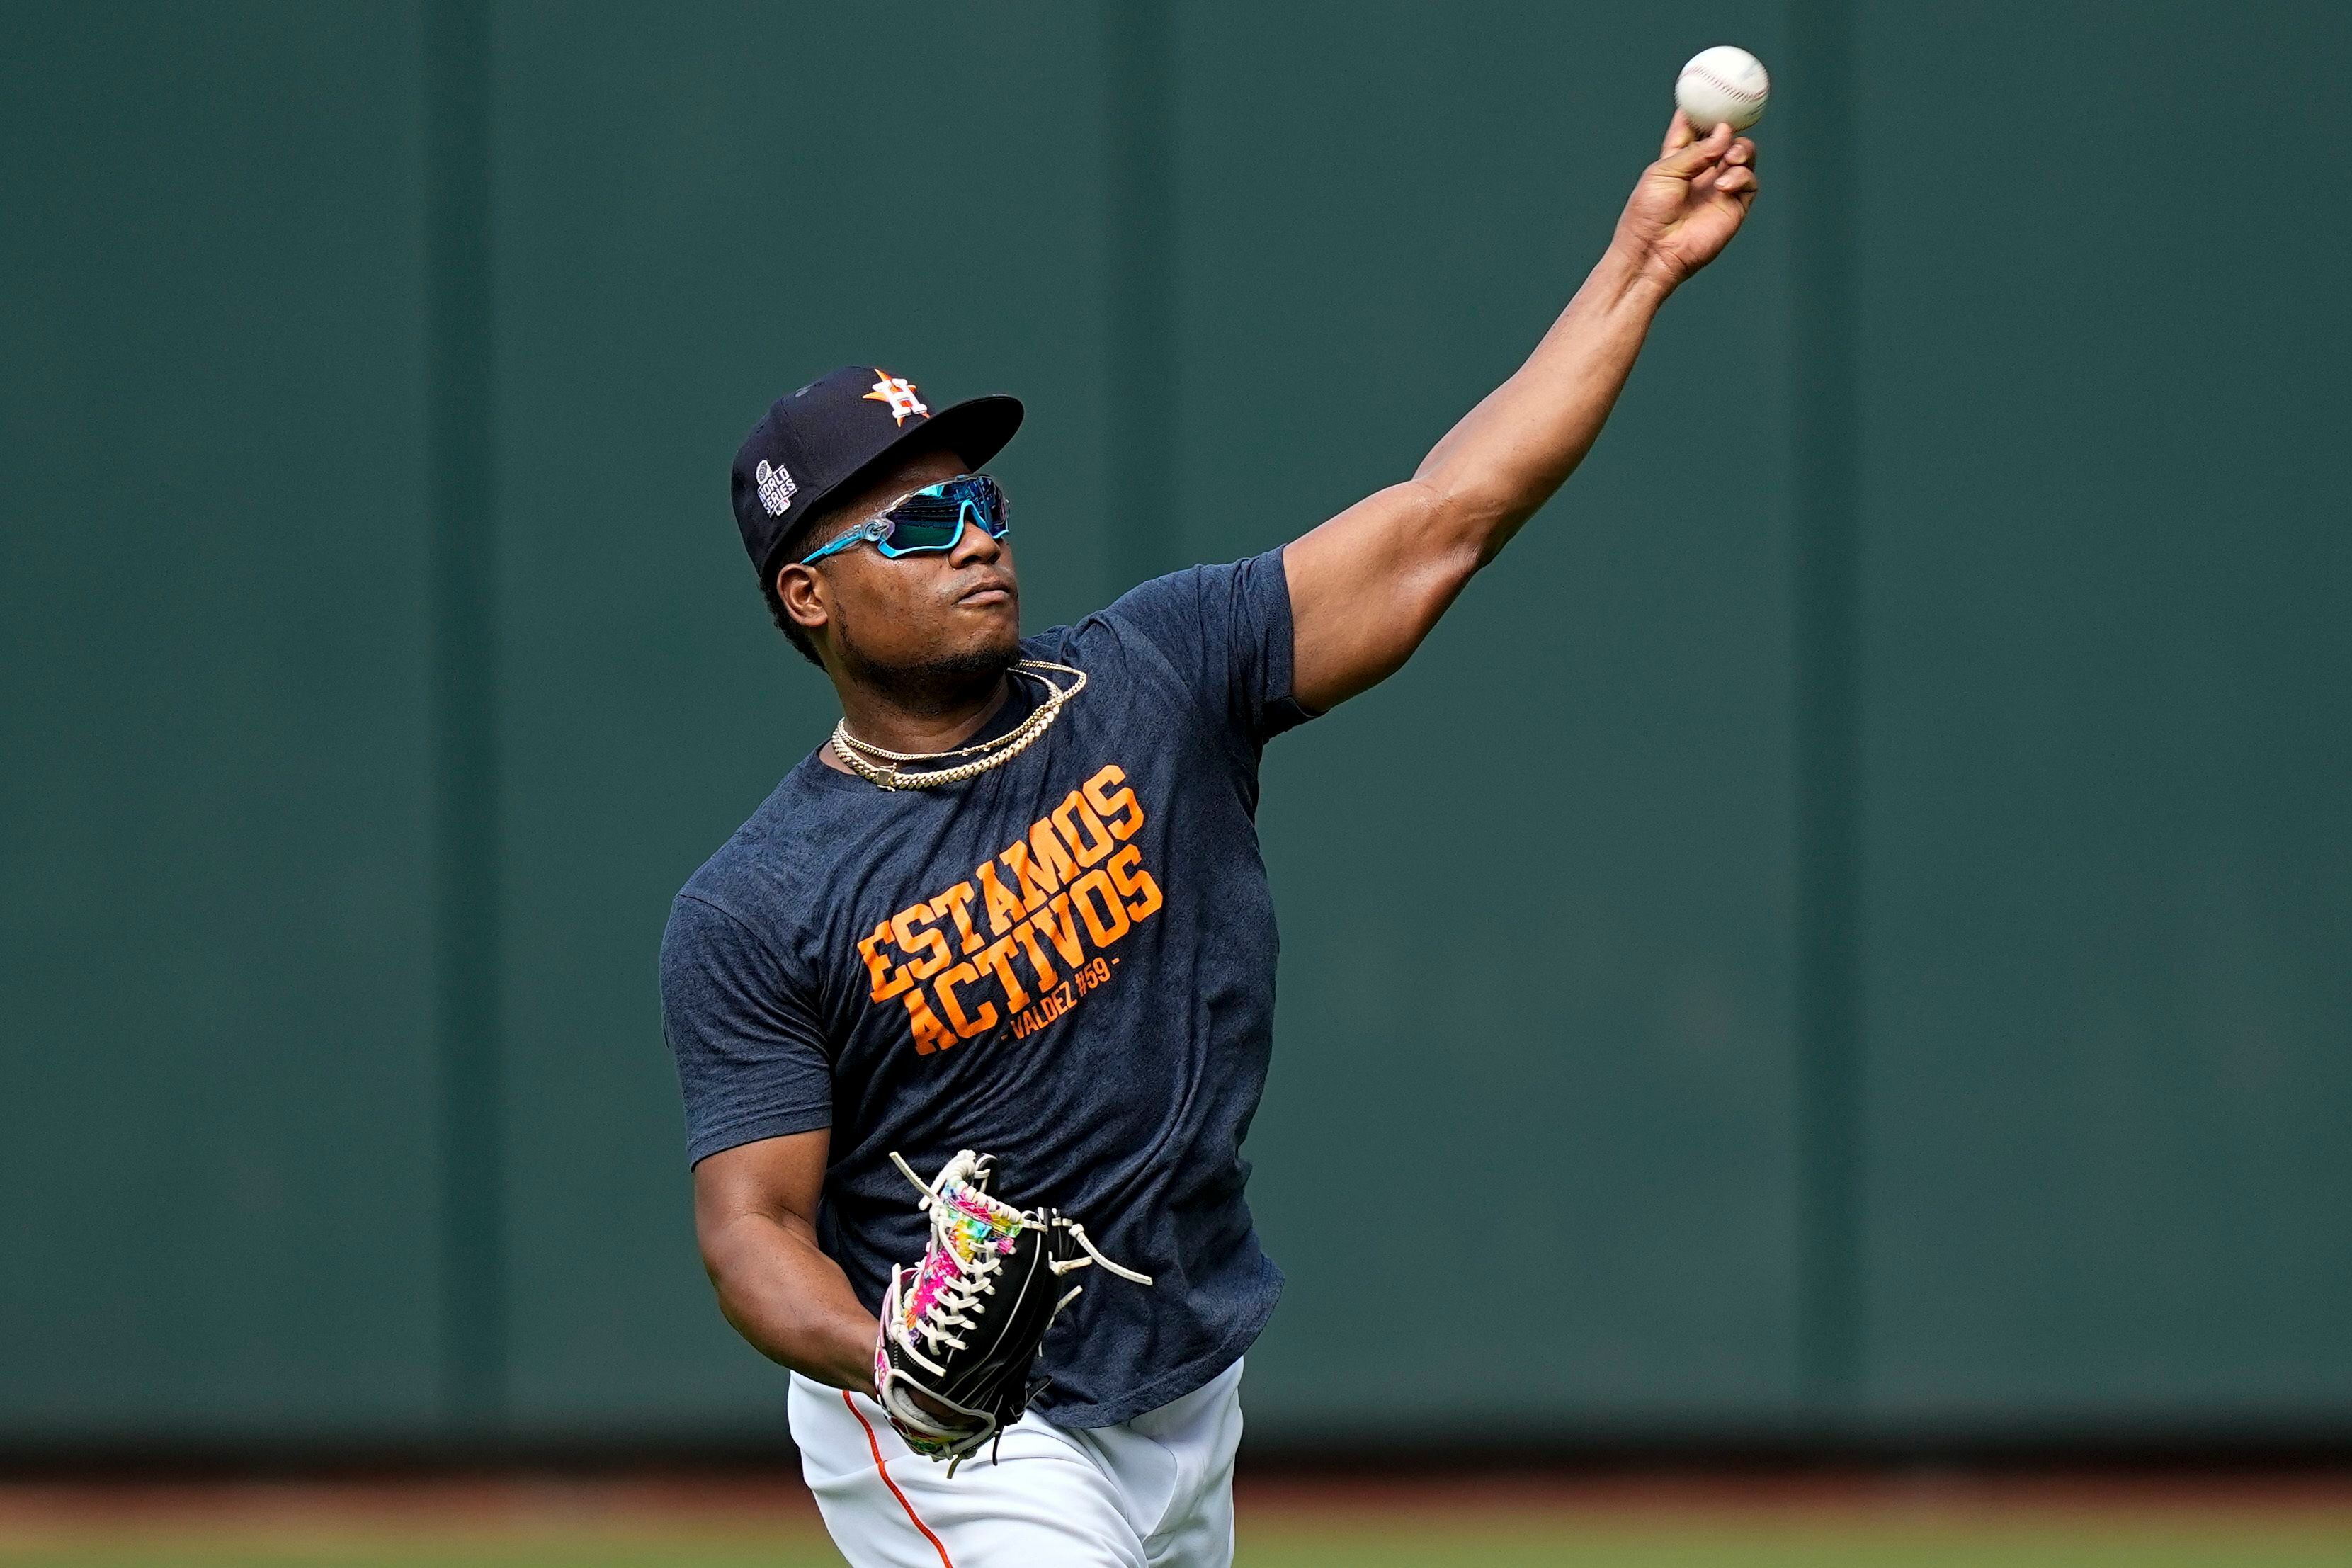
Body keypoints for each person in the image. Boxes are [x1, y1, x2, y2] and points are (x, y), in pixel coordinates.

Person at [661, 113, 1758, 1568]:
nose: (976, 534)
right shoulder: (760, 902)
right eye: (919, 519)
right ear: (809, 596)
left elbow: (1442, 519)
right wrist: (879, 1358)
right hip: (958, 1427)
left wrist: (1636, 264)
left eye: (977, 499)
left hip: (1180, 1371)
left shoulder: (1154, 675)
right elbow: (751, 1226)